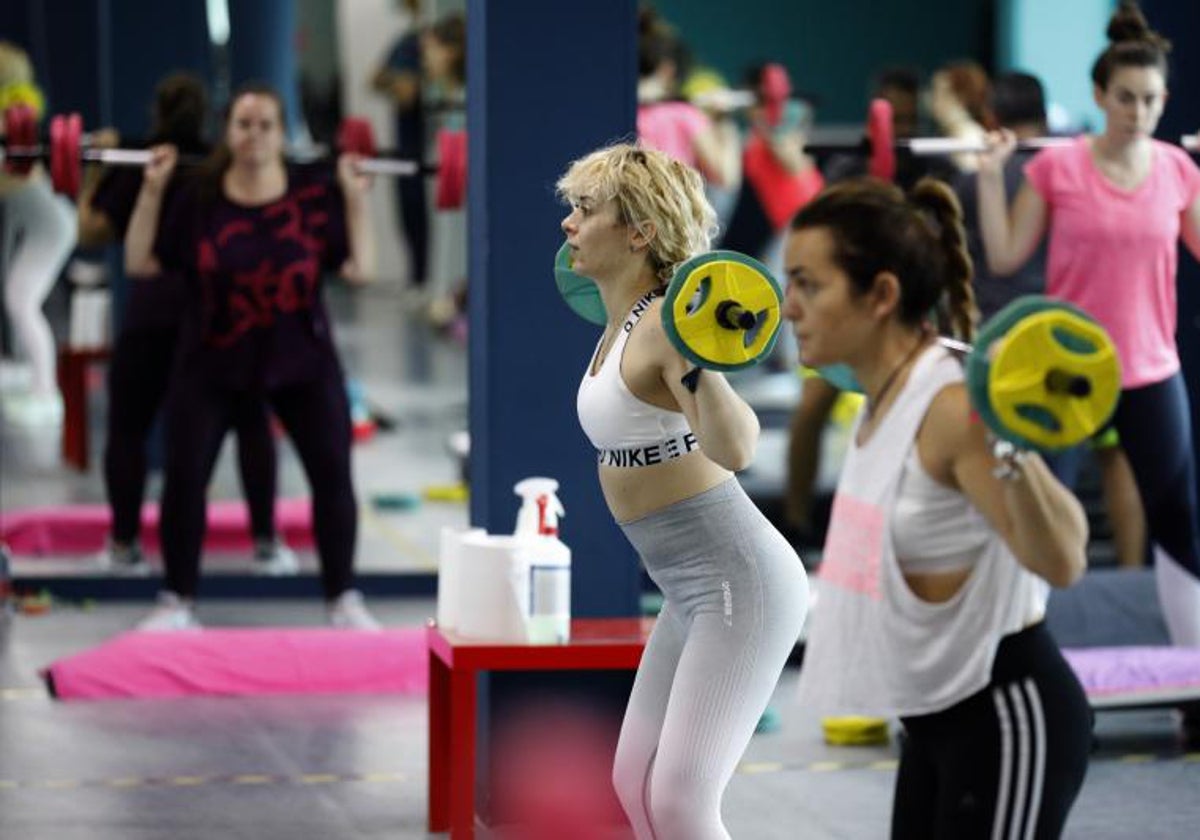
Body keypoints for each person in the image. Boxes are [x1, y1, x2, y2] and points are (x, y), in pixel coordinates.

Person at [786, 176, 1093, 838]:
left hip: (1005, 709)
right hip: (931, 720)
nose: (788, 308)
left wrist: (1013, 451)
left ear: (882, 296)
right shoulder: (881, 398)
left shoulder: (953, 405)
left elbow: (1064, 561)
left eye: (809, 285)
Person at [557, 142, 808, 839]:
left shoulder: (671, 326)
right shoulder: (619, 323)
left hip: (740, 582)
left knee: (681, 803)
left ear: (638, 230)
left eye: (584, 209)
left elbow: (738, 447)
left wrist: (698, 360)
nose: (568, 226)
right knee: (633, 784)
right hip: (689, 587)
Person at [977, 1, 1200, 668]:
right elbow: (1006, 255)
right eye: (1126, 98)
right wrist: (991, 178)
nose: (1138, 112)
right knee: (1040, 519)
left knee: (1180, 522)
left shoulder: (1176, 171)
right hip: (1064, 371)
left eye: (1151, 100)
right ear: (1100, 96)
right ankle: (1018, 671)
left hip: (1151, 370)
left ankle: (1195, 677)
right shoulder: (1059, 167)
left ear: (1164, 101)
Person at [124, 82, 379, 631]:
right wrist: (151, 190)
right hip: (212, 359)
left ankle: (343, 598)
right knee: (185, 477)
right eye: (243, 124)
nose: (254, 135)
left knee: (333, 472)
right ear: (227, 131)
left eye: (265, 124)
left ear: (280, 133)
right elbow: (141, 262)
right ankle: (176, 600)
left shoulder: (312, 193)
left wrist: (355, 198)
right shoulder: (196, 194)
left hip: (301, 361)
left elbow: (361, 269)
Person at [76, 72, 296, 576]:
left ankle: (123, 546)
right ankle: (265, 542)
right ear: (217, 123)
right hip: (213, 319)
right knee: (250, 423)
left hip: (153, 315)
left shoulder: (135, 161)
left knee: (129, 429)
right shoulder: (223, 172)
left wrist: (93, 168)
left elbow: (88, 231)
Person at [956, 70, 1147, 571]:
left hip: (1010, 344)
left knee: (1025, 467)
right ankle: (1129, 578)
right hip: (1078, 338)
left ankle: (1029, 579)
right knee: (1111, 452)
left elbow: (976, 261)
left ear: (992, 117)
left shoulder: (974, 182)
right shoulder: (1083, 163)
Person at [0, 41, 76, 426]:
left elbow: (12, 181)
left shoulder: (14, 129)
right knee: (19, 300)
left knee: (22, 302)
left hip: (53, 228)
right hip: (47, 226)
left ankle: (47, 392)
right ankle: (42, 385)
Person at [370, 0, 429, 291]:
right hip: (407, 147)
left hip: (425, 145)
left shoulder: (425, 41)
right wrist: (400, 81)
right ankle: (417, 278)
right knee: (408, 213)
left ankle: (427, 280)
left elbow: (407, 93)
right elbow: (375, 79)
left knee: (425, 214)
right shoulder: (407, 42)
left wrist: (407, 84)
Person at [927, 60, 995, 174]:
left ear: (962, 98)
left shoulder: (971, 138)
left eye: (941, 93)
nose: (933, 101)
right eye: (934, 92)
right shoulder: (949, 135)